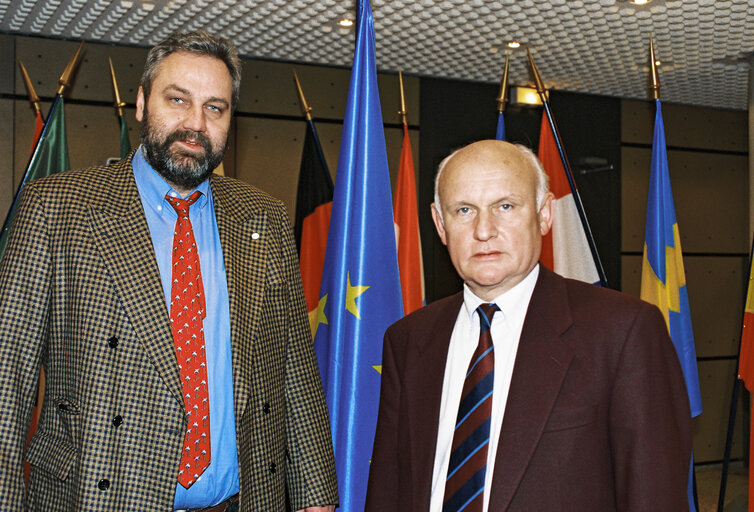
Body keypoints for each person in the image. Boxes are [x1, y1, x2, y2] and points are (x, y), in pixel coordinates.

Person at [0, 31, 337, 512]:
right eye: (177, 100)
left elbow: (295, 370)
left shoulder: (263, 216)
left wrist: (316, 496)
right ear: (141, 103)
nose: (195, 124)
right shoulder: (58, 209)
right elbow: (5, 377)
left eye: (215, 108)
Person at [365, 139, 692, 511]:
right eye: (464, 210)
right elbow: (387, 491)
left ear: (544, 214)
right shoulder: (408, 340)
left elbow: (654, 497)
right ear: (441, 225)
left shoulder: (623, 332)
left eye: (505, 206)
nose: (484, 230)